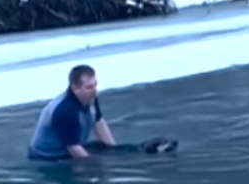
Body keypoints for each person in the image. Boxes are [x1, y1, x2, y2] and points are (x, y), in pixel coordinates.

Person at [27, 64, 177, 160]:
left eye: (95, 85)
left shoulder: (90, 97)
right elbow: (74, 149)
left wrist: (114, 151)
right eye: (89, 87)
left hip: (72, 149)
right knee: (97, 161)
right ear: (75, 88)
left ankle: (150, 149)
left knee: (112, 151)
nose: (94, 91)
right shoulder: (65, 110)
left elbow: (98, 122)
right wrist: (97, 168)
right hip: (48, 158)